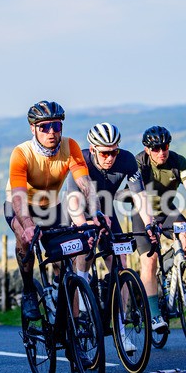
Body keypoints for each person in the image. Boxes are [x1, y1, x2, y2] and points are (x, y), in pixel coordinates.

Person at [4, 101, 100, 321]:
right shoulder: (21, 153)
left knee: (75, 246)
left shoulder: (70, 146)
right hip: (21, 206)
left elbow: (85, 184)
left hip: (52, 206)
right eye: (44, 127)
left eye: (56, 126)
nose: (51, 132)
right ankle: (29, 289)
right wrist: (28, 226)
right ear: (33, 129)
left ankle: (66, 298)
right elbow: (18, 196)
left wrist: (95, 214)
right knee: (25, 240)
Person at [66, 122, 156, 352]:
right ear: (93, 149)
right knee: (84, 251)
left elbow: (140, 196)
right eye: (105, 153)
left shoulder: (126, 160)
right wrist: (83, 224)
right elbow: (73, 200)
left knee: (121, 264)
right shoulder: (81, 161)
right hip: (79, 211)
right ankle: (83, 291)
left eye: (114, 151)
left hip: (106, 211)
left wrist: (149, 223)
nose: (110, 157)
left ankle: (120, 328)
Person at [131, 125, 186, 333]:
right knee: (150, 260)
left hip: (168, 210)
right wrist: (150, 221)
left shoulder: (178, 161)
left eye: (165, 147)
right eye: (156, 148)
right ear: (147, 149)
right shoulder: (139, 162)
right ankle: (153, 315)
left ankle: (175, 272)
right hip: (143, 214)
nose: (162, 152)